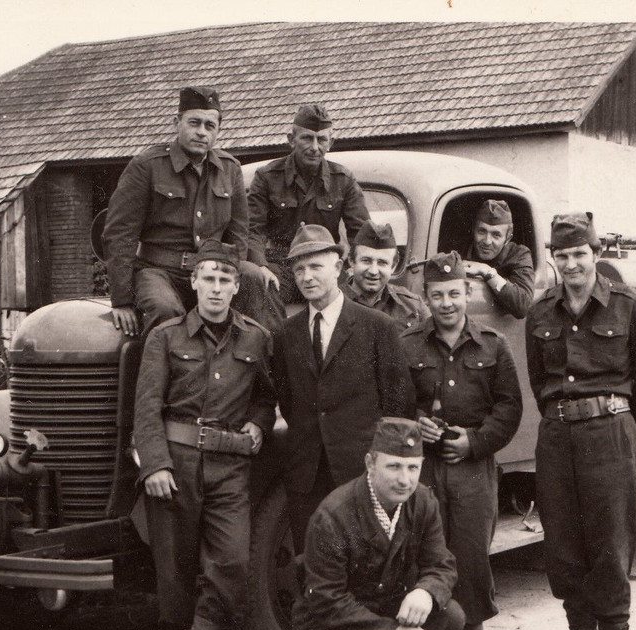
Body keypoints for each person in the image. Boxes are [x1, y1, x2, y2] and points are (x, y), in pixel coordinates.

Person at [524, 212, 636, 630]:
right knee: (564, 551)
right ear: (553, 259)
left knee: (609, 549)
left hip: (610, 433)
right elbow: (538, 381)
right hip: (558, 437)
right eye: (562, 256)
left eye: (580, 254)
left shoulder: (630, 305)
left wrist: (626, 432)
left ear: (595, 253)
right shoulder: (541, 312)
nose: (572, 264)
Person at [132, 239, 276, 630]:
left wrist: (258, 420)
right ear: (193, 282)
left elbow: (264, 394)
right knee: (175, 572)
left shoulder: (255, 337)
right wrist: (154, 465)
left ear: (237, 286)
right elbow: (147, 406)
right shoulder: (166, 337)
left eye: (225, 280)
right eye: (208, 279)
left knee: (232, 562)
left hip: (229, 469)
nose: (216, 288)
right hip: (175, 467)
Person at [292, 417, 465, 630]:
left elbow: (442, 563)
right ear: (370, 463)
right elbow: (326, 599)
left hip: (386, 611)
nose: (405, 480)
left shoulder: (423, 502)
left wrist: (426, 592)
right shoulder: (334, 515)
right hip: (330, 624)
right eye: (394, 467)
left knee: (451, 616)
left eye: (413, 468)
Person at [399, 252, 522, 630]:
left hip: (473, 470)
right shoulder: (409, 344)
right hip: (425, 470)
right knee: (424, 556)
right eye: (437, 295)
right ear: (425, 297)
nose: (447, 303)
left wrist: (475, 442)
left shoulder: (493, 344)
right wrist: (417, 422)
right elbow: (394, 401)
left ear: (467, 293)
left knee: (470, 557)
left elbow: (510, 408)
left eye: (454, 293)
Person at [271, 224, 414, 550]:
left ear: (338, 267)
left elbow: (398, 405)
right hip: (307, 478)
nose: (307, 277)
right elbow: (288, 400)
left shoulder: (377, 327)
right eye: (299, 269)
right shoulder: (285, 334)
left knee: (367, 565)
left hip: (361, 473)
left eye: (316, 266)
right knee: (313, 564)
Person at [102, 86, 276, 338]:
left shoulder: (229, 169)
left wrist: (229, 275)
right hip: (159, 271)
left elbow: (239, 233)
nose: (201, 132)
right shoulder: (147, 167)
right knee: (164, 310)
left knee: (252, 278)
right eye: (194, 123)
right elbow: (119, 234)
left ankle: (249, 369)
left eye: (209, 125)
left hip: (212, 269)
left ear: (218, 130)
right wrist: (121, 300)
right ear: (177, 123)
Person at [247, 103, 371, 321]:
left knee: (352, 306)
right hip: (282, 267)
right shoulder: (267, 177)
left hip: (326, 265)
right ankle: (280, 349)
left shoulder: (343, 180)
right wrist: (261, 266)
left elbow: (360, 232)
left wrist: (353, 267)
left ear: (330, 143)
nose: (315, 147)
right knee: (261, 292)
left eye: (322, 139)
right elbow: (252, 229)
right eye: (307, 138)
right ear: (291, 139)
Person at [343, 220, 428, 330]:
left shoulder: (414, 306)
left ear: (393, 266)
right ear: (351, 261)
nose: (373, 271)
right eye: (366, 261)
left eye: (382, 263)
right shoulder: (333, 302)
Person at [460, 199, 536, 319]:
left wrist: (488, 272)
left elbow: (523, 305)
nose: (487, 241)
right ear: (473, 230)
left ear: (508, 238)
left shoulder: (519, 254)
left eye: (496, 235)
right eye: (482, 231)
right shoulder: (460, 251)